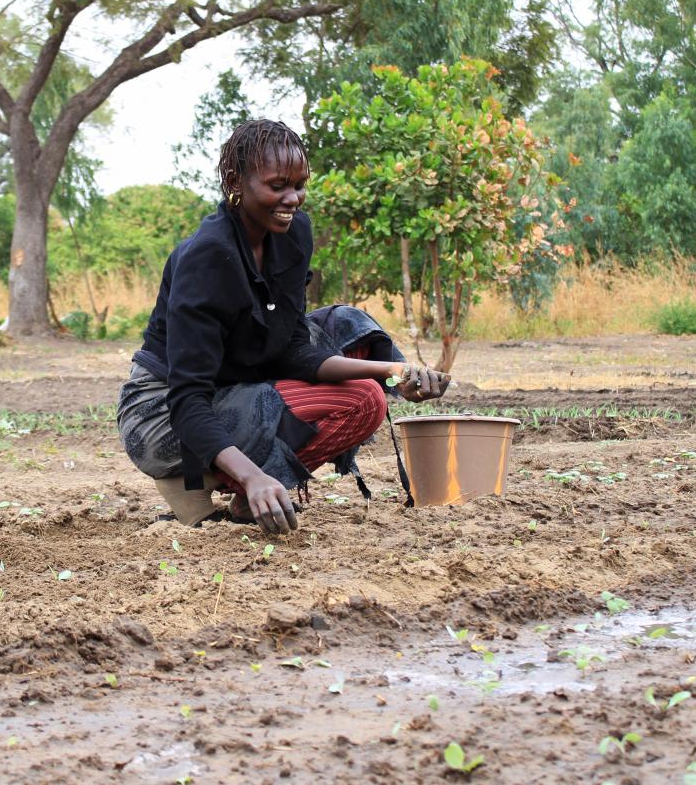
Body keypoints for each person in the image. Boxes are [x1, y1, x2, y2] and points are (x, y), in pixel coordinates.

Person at [117, 119, 450, 535]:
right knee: (360, 399)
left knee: (351, 330)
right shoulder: (208, 258)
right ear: (235, 182)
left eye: (299, 185)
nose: (292, 199)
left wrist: (391, 372)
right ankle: (213, 477)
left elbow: (293, 348)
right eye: (278, 186)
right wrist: (253, 475)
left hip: (236, 379)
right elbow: (188, 398)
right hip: (162, 414)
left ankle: (248, 497)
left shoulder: (294, 234)